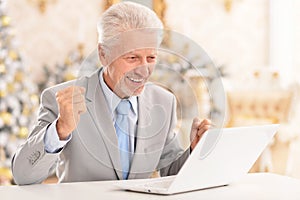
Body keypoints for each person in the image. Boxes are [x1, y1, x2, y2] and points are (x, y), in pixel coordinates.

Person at [11, 2, 211, 185]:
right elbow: (23, 176)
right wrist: (60, 130)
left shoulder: (164, 102)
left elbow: (172, 171)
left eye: (151, 57)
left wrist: (194, 150)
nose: (144, 69)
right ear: (103, 54)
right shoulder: (61, 100)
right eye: (132, 58)